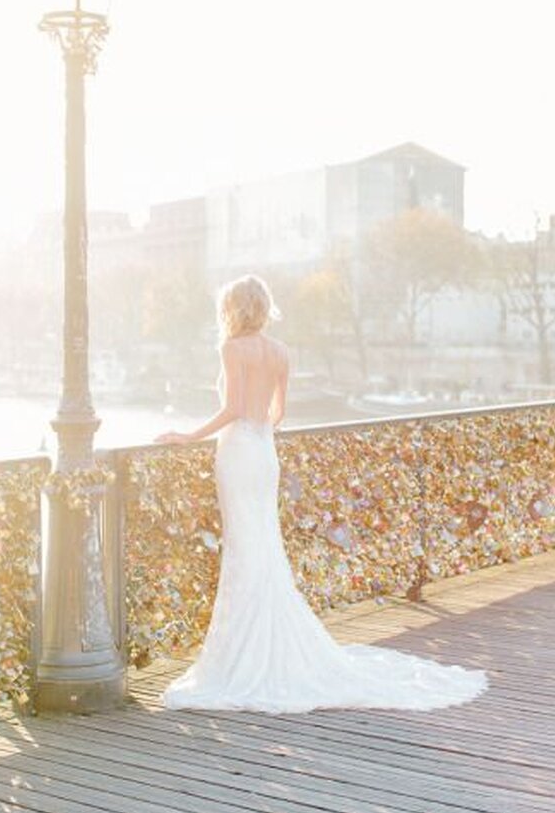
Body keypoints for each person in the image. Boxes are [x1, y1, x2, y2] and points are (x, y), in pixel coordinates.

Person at [154, 273, 488, 713]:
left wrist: (187, 435)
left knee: (244, 548)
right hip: (263, 453)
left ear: (233, 308)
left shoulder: (232, 348)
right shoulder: (280, 352)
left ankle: (243, 654)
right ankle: (266, 646)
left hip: (237, 453)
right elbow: (277, 413)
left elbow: (232, 408)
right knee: (263, 546)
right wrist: (256, 436)